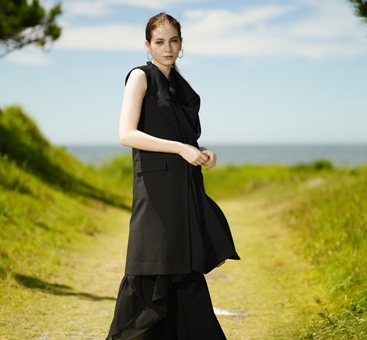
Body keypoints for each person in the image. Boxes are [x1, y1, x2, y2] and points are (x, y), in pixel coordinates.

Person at [106, 12, 240, 340]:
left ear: (182, 43)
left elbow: (182, 135)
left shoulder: (183, 85)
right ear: (148, 45)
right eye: (160, 42)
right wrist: (181, 149)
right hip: (155, 191)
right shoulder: (140, 77)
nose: (168, 48)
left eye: (174, 41)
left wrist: (201, 151)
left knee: (185, 270)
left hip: (185, 186)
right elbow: (127, 134)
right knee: (152, 272)